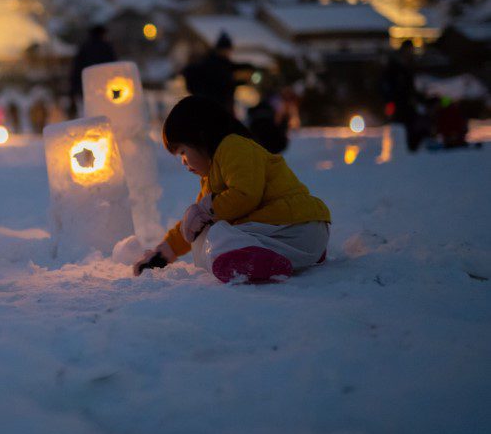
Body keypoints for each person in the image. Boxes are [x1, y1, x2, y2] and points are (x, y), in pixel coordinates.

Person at [133, 96, 331, 283]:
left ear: (201, 136)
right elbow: (194, 225)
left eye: (183, 152)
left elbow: (245, 195)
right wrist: (163, 254)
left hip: (297, 225)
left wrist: (206, 211)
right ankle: (297, 256)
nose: (184, 162)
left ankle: (257, 264)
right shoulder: (212, 176)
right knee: (207, 235)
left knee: (217, 235)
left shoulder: (234, 146)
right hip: (298, 235)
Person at [182, 31, 239, 112]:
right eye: (226, 50)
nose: (228, 53)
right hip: (213, 106)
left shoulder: (223, 65)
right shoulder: (214, 65)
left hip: (216, 106)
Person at [69, 24, 117, 117]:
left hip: (87, 87)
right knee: (106, 113)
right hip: (105, 87)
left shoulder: (84, 47)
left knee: (89, 114)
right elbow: (114, 68)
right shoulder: (107, 47)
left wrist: (73, 90)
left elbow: (76, 69)